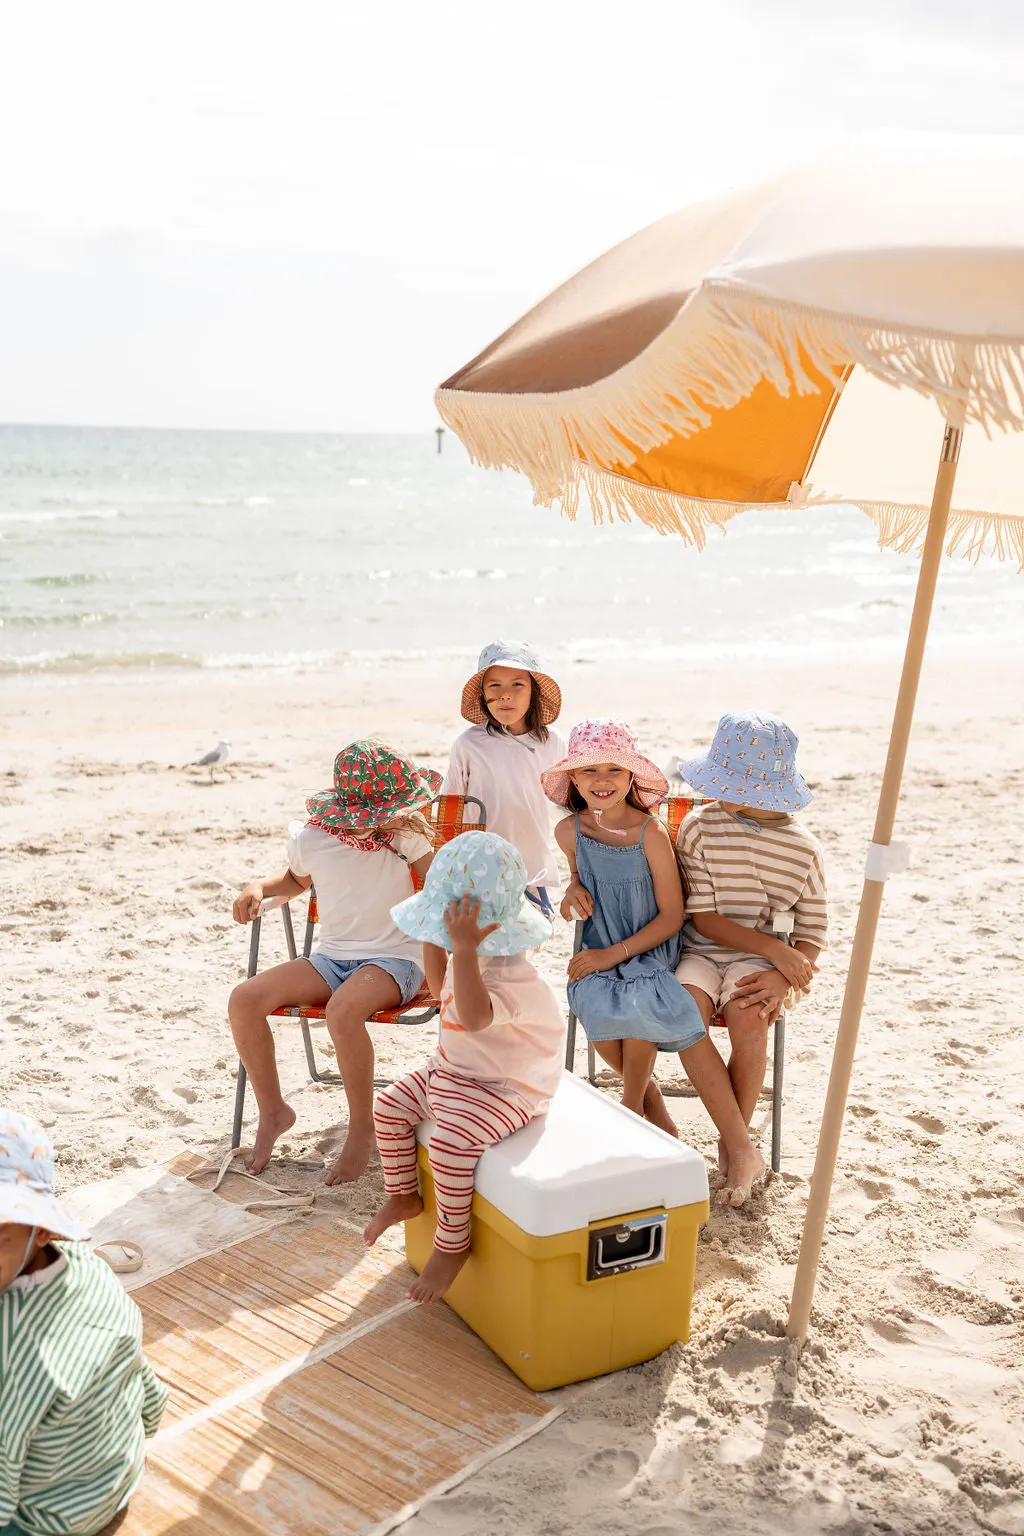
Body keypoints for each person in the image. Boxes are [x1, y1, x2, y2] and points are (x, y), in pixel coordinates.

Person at [543, 719, 765, 1206]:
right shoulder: (568, 831)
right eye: (589, 771)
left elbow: (671, 916)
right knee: (593, 997)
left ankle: (636, 1108)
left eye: (613, 770)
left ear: (630, 777)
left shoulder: (651, 831)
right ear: (574, 782)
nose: (602, 779)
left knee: (645, 997)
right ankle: (656, 1113)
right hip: (600, 944)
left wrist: (614, 953)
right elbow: (581, 880)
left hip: (650, 946)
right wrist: (571, 891)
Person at [364, 831, 563, 1302]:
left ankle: (453, 1244)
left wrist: (464, 950)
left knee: (453, 1144)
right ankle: (404, 1195)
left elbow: (473, 1017)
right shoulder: (466, 956)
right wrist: (442, 940)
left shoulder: (515, 976)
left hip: (508, 1087)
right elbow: (441, 991)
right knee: (389, 1108)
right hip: (453, 1071)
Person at [229, 740, 440, 1183]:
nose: (391, 815)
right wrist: (257, 888)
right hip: (334, 959)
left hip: (396, 958)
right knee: (244, 999)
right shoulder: (313, 839)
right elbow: (293, 881)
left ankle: (362, 1127)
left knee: (344, 1010)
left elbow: (444, 884)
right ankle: (273, 1111)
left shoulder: (407, 836)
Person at [675, 712, 828, 1184]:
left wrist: (782, 974)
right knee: (685, 1012)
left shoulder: (804, 849)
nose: (716, 789)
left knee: (748, 1017)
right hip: (699, 950)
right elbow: (702, 918)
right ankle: (741, 1143)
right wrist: (775, 951)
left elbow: (814, 932)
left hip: (759, 961)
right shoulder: (700, 826)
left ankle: (730, 1143)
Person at [0, 1111, 168, 1536]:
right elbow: (141, 1381)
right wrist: (147, 1422)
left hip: (47, 1519)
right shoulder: (88, 1269)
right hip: (115, 1473)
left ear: (41, 1230)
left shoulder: (12, 1346)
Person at [442, 641, 567, 919]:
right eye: (494, 686)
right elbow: (450, 806)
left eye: (517, 685)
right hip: (478, 869)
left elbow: (571, 799)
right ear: (483, 694)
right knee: (483, 950)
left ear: (533, 691)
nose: (505, 696)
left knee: (522, 944)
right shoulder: (469, 744)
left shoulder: (552, 742)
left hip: (531, 868)